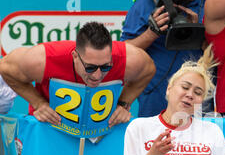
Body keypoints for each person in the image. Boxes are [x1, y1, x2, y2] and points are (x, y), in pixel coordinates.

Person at [0, 21, 155, 127]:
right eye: (90, 67)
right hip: (50, 129)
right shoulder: (44, 59)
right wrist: (38, 103)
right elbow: (5, 68)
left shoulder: (128, 59)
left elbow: (149, 70)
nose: (97, 75)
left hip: (100, 132)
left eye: (106, 67)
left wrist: (123, 104)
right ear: (75, 56)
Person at [121, 0, 205, 117]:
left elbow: (223, 57)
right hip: (154, 100)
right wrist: (151, 33)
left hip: (196, 101)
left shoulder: (209, 7)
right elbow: (124, 53)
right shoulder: (145, 4)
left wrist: (197, 34)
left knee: (197, 135)